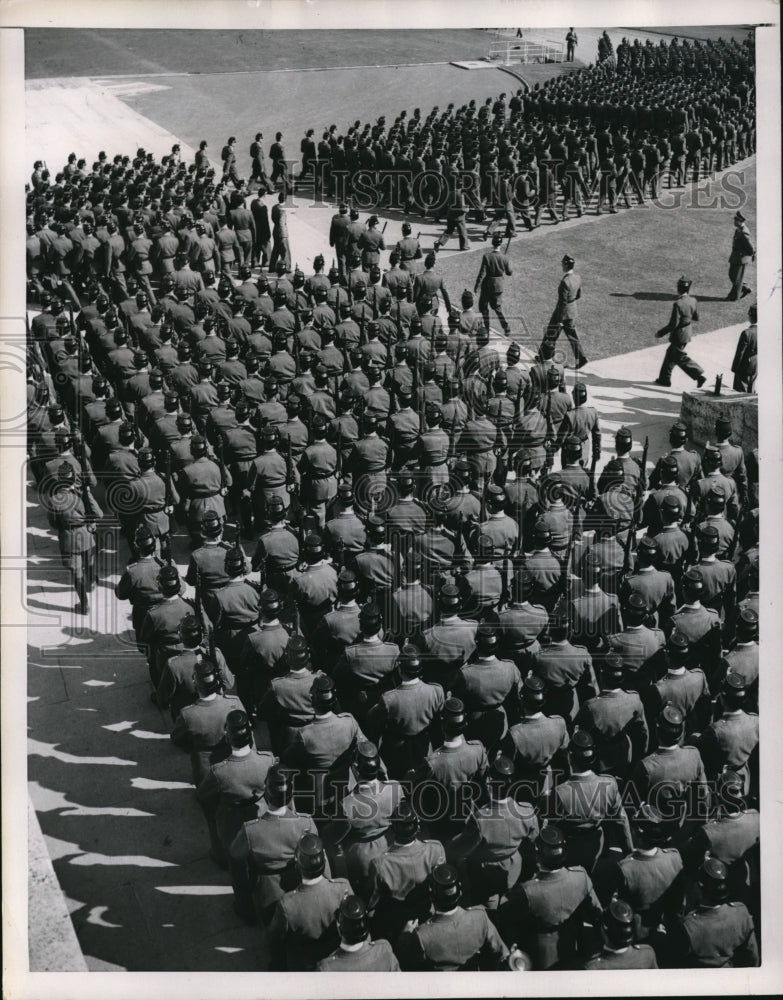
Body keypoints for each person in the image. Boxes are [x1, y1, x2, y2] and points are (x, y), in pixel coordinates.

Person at [654, 276, 706, 388]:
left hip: (679, 335)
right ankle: (664, 379)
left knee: (679, 357)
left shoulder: (678, 303)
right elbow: (696, 317)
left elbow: (673, 324)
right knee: (670, 355)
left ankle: (699, 375)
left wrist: (660, 333)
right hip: (687, 332)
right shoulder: (693, 300)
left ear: (678, 288)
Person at [539, 254, 587, 369]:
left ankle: (543, 356)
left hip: (561, 312)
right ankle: (581, 358)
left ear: (566, 265)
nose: (561, 265)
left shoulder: (565, 282)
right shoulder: (577, 278)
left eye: (562, 264)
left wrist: (560, 319)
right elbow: (578, 295)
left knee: (551, 333)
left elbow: (562, 302)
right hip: (572, 311)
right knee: (572, 336)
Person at [473, 232, 511, 335]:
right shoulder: (504, 258)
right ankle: (506, 327)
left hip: (487, 285)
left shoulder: (487, 256)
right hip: (498, 286)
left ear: (492, 243)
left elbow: (482, 273)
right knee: (497, 308)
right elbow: (509, 272)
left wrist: (477, 286)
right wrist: (505, 263)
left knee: (484, 308)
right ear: (501, 244)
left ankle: (487, 329)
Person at [726, 210, 754, 301]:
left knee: (737, 278)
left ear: (740, 221)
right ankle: (745, 288)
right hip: (736, 256)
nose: (734, 222)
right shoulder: (738, 230)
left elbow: (751, 249)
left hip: (741, 258)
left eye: (736, 220)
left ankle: (733, 297)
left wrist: (746, 256)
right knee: (732, 275)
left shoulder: (744, 233)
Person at [731, 304, 757, 391]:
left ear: (751, 316)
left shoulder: (746, 333)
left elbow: (740, 353)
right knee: (751, 387)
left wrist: (734, 368)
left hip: (744, 366)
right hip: (756, 364)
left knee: (740, 390)